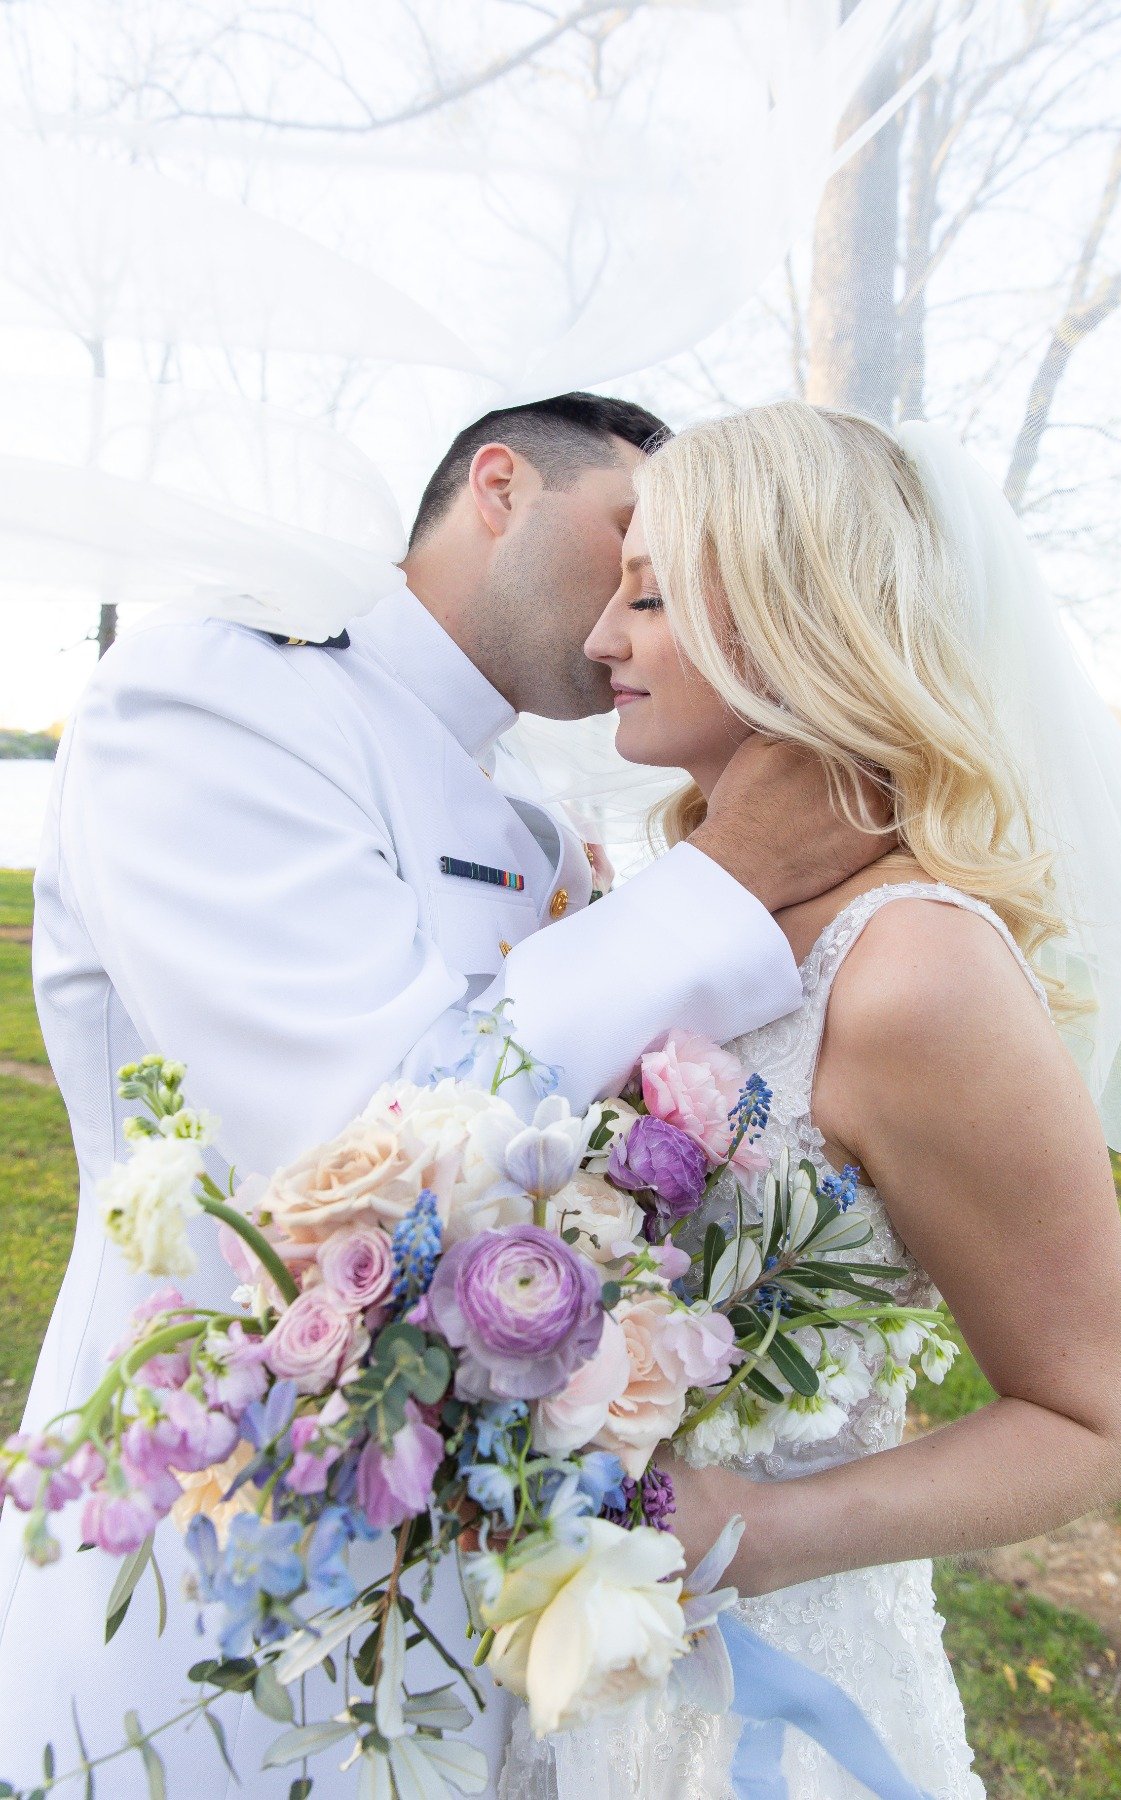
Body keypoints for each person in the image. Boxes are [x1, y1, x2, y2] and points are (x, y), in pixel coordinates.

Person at [0, 393, 889, 1795]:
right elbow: (365, 1134)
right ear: (498, 486)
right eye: (629, 538)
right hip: (204, 1562)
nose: (639, 610)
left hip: (470, 1581)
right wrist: (725, 886)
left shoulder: (530, 815)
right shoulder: (221, 694)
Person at [498, 400, 1121, 1798]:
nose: (603, 642)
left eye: (653, 597)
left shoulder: (914, 971)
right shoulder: (668, 919)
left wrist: (766, 1529)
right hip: (555, 1670)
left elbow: (1098, 1422)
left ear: (793, 625)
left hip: (772, 1698)